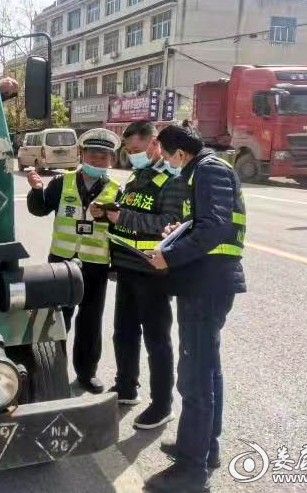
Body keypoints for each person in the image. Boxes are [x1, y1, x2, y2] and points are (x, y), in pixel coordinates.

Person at [143, 124, 247, 493]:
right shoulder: (203, 170)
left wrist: (168, 256)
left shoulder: (207, 170)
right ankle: (205, 447)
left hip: (207, 283)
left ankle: (191, 469)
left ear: (180, 153)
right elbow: (205, 223)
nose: (167, 163)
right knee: (207, 370)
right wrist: (179, 232)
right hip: (205, 281)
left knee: (195, 376)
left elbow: (215, 228)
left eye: (167, 157)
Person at [90, 120, 184, 430]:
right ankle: (126, 386)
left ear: (154, 143)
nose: (132, 155)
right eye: (129, 150)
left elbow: (169, 223)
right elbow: (128, 215)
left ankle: (162, 404)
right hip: (127, 267)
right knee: (124, 332)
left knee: (157, 340)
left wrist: (123, 216)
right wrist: (107, 213)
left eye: (136, 149)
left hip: (152, 272)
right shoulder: (136, 176)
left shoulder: (172, 180)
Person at [26, 128, 121, 393]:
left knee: (90, 321)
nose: (98, 160)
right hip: (61, 264)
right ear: (82, 154)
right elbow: (39, 209)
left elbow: (118, 230)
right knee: (57, 320)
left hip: (95, 266)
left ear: (111, 159)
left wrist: (116, 266)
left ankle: (86, 374)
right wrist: (36, 189)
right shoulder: (61, 182)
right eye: (93, 155)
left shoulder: (116, 190)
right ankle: (53, 374)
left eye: (104, 156)